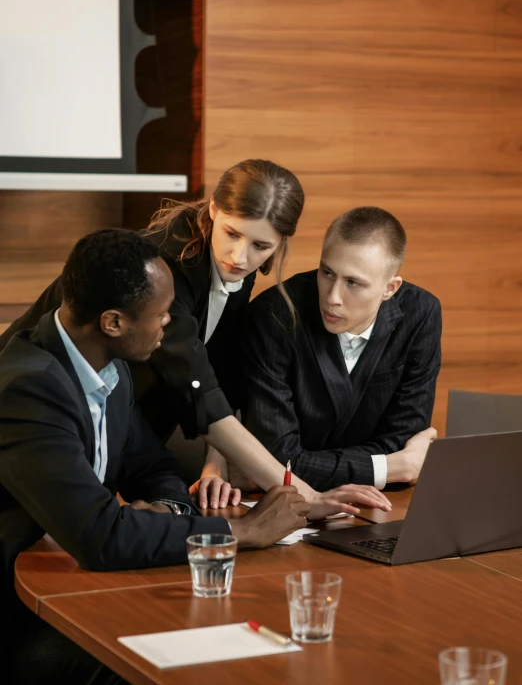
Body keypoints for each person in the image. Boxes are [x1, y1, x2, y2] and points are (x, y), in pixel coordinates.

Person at [0, 229, 313, 685]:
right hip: (21, 615)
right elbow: (102, 536)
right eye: (161, 315)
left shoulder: (112, 368)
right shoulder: (27, 389)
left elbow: (153, 465)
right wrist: (242, 530)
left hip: (76, 587)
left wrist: (168, 506)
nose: (168, 324)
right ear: (113, 322)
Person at [0, 161, 392, 520]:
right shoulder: (165, 269)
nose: (240, 256)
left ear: (280, 243)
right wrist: (307, 499)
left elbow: (216, 371)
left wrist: (215, 464)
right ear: (214, 210)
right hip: (38, 405)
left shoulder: (231, 264)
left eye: (260, 246)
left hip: (120, 422)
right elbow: (198, 390)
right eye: (233, 234)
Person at [241, 206, 441, 491]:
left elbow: (403, 438)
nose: (332, 297)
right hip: (285, 504)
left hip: (381, 505)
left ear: (390, 289)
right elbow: (278, 462)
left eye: (353, 283)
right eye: (327, 273)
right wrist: (391, 467)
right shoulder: (274, 313)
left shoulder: (421, 313)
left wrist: (310, 464)